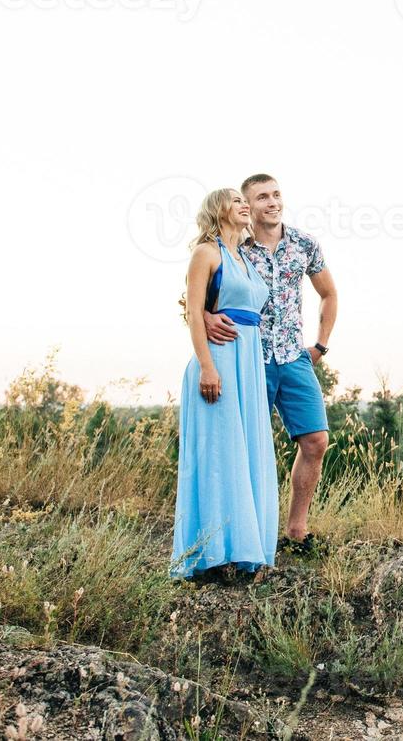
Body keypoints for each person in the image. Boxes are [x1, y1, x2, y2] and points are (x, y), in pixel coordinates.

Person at [205, 173, 336, 558]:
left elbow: (328, 293)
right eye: (262, 197)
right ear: (247, 206)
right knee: (243, 446)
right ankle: (241, 535)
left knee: (316, 441)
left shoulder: (304, 244)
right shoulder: (235, 248)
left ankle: (296, 531)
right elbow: (197, 297)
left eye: (276, 194)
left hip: (293, 357)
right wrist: (208, 318)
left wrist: (321, 346)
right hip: (248, 359)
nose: (272, 202)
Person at [170, 188, 279, 581]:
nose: (244, 204)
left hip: (248, 365)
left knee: (244, 453)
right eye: (236, 200)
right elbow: (194, 314)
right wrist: (206, 366)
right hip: (218, 364)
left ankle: (243, 549)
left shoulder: (246, 259)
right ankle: (209, 555)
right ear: (218, 210)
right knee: (217, 458)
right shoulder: (206, 253)